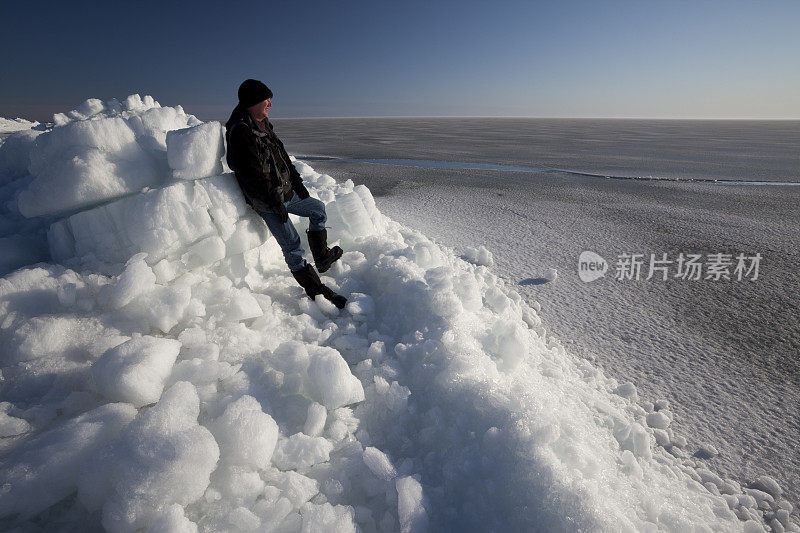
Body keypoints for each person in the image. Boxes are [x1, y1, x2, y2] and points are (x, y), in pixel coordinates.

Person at [225, 79, 346, 308]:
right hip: (267, 201)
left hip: (286, 194)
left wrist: (299, 186)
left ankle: (321, 258)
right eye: (266, 99)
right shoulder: (241, 132)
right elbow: (250, 176)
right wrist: (273, 203)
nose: (270, 103)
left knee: (318, 210)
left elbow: (283, 159)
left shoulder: (263, 125)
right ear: (252, 102)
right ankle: (316, 289)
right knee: (292, 245)